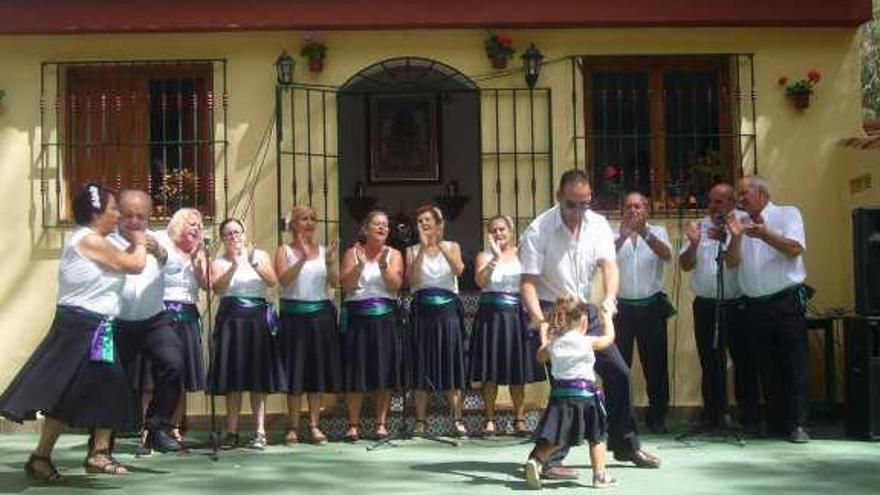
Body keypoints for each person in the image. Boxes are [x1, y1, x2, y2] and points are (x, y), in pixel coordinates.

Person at [520, 169, 660, 480]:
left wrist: (610, 298)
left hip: (584, 309)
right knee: (566, 388)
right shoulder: (538, 229)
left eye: (585, 204)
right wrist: (539, 318)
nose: (580, 211)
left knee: (619, 373)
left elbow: (609, 266)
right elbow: (528, 282)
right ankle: (549, 459)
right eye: (573, 205)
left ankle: (625, 445)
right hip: (553, 310)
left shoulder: (597, 224)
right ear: (559, 198)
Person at [0, 184, 146, 479]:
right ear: (96, 213)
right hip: (81, 328)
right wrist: (141, 239)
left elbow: (123, 261)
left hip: (93, 328)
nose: (118, 215)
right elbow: (134, 264)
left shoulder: (97, 241)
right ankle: (97, 453)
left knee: (84, 392)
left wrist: (136, 243)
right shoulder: (90, 239)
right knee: (108, 385)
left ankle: (45, 457)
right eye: (113, 209)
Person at [727, 175, 810, 443]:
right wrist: (737, 237)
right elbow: (731, 262)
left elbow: (795, 249)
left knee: (793, 364)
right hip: (753, 305)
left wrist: (765, 234)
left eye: (744, 192)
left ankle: (798, 424)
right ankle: (776, 423)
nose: (739, 198)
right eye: (738, 194)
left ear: (761, 193)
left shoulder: (787, 214)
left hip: (785, 301)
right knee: (766, 367)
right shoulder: (738, 221)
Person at [679, 183, 759, 432]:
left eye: (720, 201)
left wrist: (732, 237)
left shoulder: (744, 224)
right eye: (712, 200)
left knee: (744, 361)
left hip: (736, 304)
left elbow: (734, 263)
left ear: (733, 203)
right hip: (705, 305)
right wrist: (693, 244)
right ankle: (713, 415)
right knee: (710, 361)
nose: (714, 206)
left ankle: (749, 417)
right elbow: (685, 265)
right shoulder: (699, 226)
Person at [111, 190, 185, 453]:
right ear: (117, 215)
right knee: (110, 379)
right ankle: (102, 440)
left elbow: (178, 267)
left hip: (154, 320)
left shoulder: (159, 240)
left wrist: (162, 253)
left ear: (149, 216)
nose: (134, 221)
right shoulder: (107, 241)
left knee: (173, 364)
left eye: (140, 216)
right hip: (118, 323)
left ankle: (156, 428)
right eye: (128, 215)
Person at [524, 294, 616, 490]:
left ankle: (537, 460)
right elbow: (608, 339)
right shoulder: (586, 340)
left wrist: (545, 334)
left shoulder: (554, 344)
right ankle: (599, 476)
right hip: (586, 398)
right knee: (596, 437)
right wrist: (607, 318)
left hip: (560, 398)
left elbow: (540, 357)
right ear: (582, 319)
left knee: (558, 436)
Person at [209, 218, 283, 450]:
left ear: (244, 233)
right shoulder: (218, 261)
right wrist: (233, 266)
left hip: (256, 319)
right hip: (231, 320)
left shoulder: (259, 254)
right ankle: (232, 431)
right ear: (223, 238)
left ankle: (260, 431)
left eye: (237, 232)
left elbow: (272, 282)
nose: (234, 237)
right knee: (233, 378)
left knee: (257, 377)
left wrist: (253, 262)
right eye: (229, 234)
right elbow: (218, 288)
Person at [468, 214, 545, 436]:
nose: (498, 234)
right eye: (494, 230)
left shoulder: (522, 254)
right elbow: (481, 282)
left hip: (515, 316)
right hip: (489, 316)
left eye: (502, 229)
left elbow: (531, 285)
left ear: (511, 232)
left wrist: (534, 315)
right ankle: (490, 419)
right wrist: (495, 257)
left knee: (516, 369)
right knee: (489, 370)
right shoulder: (484, 255)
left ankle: (519, 418)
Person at [274, 206, 343, 446]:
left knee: (316, 372)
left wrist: (332, 262)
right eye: (304, 218)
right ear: (293, 224)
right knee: (295, 373)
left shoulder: (324, 250)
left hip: (320, 316)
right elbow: (282, 279)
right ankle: (292, 426)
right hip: (294, 318)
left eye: (313, 219)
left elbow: (335, 282)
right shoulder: (284, 251)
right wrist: (302, 258)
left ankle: (314, 425)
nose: (310, 223)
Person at [339, 211, 405, 441]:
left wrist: (385, 266)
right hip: (357, 317)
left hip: (384, 318)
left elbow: (396, 285)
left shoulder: (394, 253)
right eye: (377, 224)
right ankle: (353, 424)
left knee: (383, 369)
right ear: (365, 229)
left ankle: (381, 423)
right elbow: (345, 286)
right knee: (355, 370)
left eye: (385, 225)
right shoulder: (352, 252)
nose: (382, 228)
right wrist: (358, 267)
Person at [406, 204, 467, 436]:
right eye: (420, 221)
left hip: (448, 311)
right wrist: (423, 248)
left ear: (439, 224)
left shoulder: (452, 246)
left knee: (450, 361)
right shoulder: (412, 250)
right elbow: (413, 278)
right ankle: (420, 420)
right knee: (422, 363)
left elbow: (459, 270)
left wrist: (440, 247)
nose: (424, 224)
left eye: (428, 220)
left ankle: (457, 418)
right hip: (422, 310)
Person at [614, 192, 673, 433]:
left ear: (646, 209)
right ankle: (620, 418)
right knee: (619, 367)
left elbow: (667, 255)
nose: (633, 210)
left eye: (638, 206)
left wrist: (644, 233)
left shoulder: (658, 231)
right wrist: (622, 237)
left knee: (656, 365)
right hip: (622, 308)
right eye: (628, 206)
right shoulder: (613, 233)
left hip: (651, 307)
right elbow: (601, 260)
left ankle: (657, 417)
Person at [162, 208, 210, 442]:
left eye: (200, 226)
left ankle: (174, 426)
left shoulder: (199, 252)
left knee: (180, 375)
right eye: (192, 224)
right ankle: (147, 427)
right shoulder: (164, 246)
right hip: (163, 314)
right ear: (179, 224)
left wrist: (198, 263)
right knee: (155, 375)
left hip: (188, 314)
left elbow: (206, 285)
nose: (197, 228)